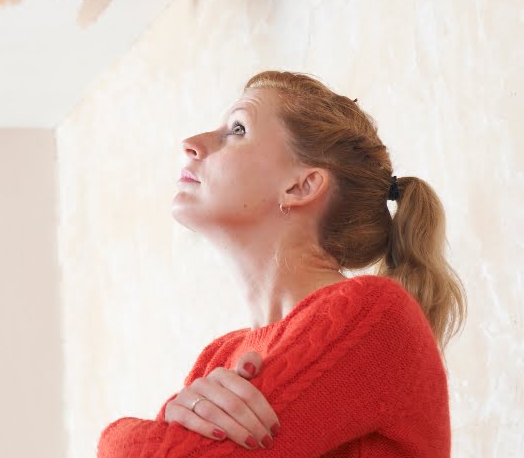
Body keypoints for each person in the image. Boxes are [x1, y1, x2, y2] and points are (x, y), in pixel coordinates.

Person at [98, 71, 466, 457]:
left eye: (237, 130)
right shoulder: (220, 357)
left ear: (301, 186)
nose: (191, 144)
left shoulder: (371, 313)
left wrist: (115, 438)